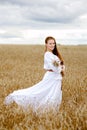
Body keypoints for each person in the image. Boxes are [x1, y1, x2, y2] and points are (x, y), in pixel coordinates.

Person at [4, 36, 65, 114]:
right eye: (50, 43)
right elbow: (55, 68)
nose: (52, 45)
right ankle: (19, 97)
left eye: (53, 43)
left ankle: (51, 111)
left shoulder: (54, 55)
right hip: (51, 77)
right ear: (46, 44)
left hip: (55, 77)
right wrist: (61, 68)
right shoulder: (48, 54)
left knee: (53, 94)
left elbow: (59, 66)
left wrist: (61, 67)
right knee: (39, 92)